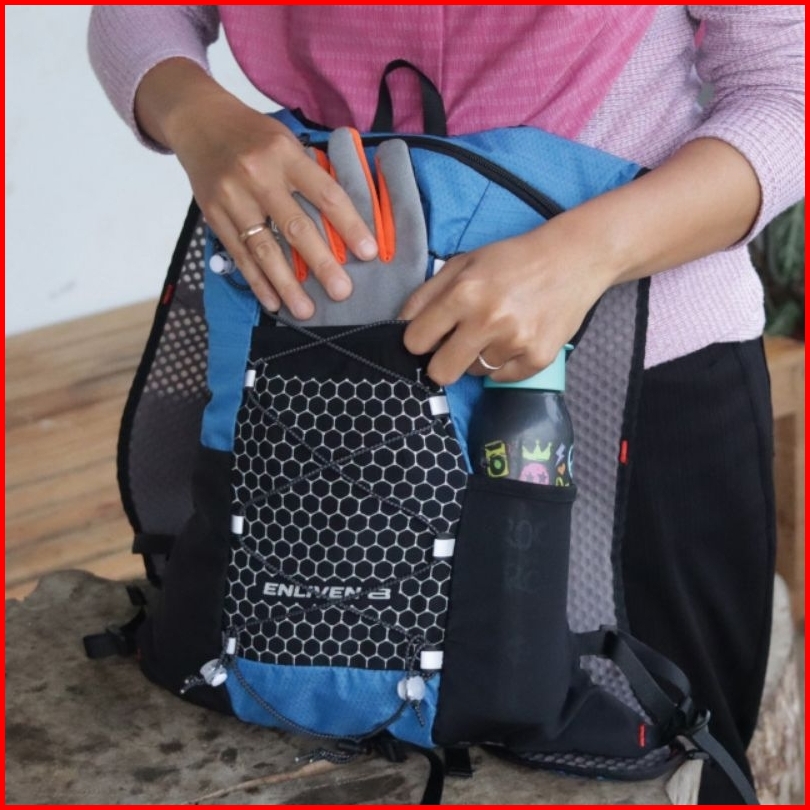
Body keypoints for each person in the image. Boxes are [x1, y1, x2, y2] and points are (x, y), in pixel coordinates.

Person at [88, 6, 804, 803]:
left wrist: (584, 254)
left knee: (675, 766)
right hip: (315, 383)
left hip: (636, 379)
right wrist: (196, 114)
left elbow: (786, 91)